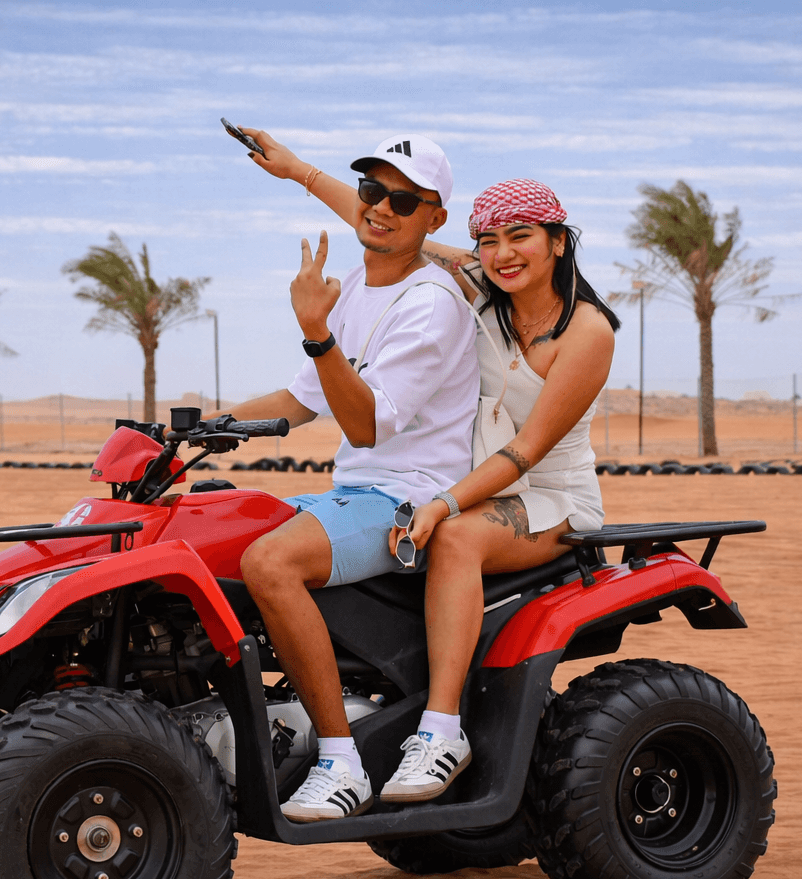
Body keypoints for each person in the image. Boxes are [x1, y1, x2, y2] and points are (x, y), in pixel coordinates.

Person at [238, 128, 618, 804]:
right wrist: (297, 171)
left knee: (457, 538)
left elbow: (526, 452)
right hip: (474, 485)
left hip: (548, 496)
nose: (503, 254)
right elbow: (386, 222)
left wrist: (443, 503)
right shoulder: (483, 289)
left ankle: (441, 731)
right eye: (489, 241)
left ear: (559, 241)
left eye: (521, 237)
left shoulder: (586, 331)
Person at [223, 133, 478, 822]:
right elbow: (302, 399)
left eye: (404, 200)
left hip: (407, 498)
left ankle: (339, 762)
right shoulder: (358, 285)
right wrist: (195, 429)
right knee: (212, 533)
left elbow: (365, 424)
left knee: (270, 563)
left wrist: (316, 330)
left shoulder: (432, 304)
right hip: (353, 492)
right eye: (371, 190)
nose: (381, 207)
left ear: (435, 219)